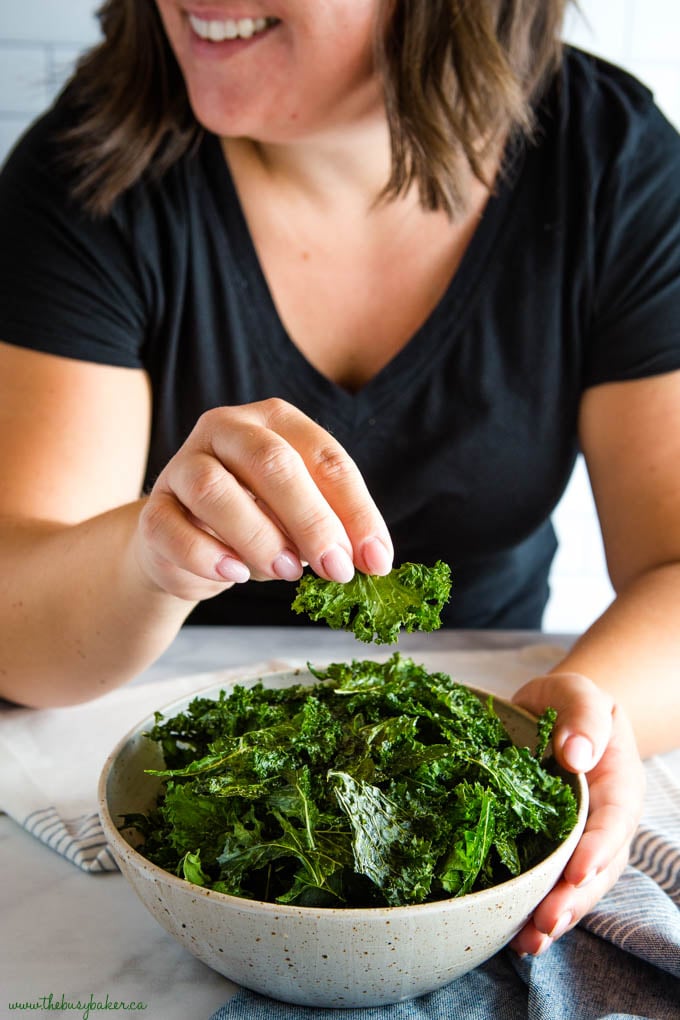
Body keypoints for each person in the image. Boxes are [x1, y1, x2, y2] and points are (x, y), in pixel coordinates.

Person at [0, 0, 678, 961]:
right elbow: (13, 621)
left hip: (504, 698)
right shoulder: (94, 163)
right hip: (178, 743)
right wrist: (146, 555)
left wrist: (587, 713)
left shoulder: (610, 159)